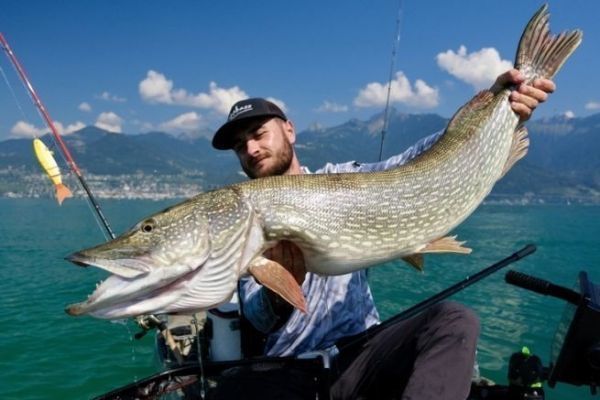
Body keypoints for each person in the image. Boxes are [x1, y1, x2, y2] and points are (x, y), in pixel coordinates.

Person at [210, 70, 555, 400]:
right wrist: (277, 295)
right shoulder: (243, 212)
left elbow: (417, 162)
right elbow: (256, 317)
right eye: (240, 146)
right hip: (290, 366)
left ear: (289, 130)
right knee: (231, 392)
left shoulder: (344, 179)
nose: (251, 150)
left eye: (258, 134)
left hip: (363, 351)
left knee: (455, 321)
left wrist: (500, 107)